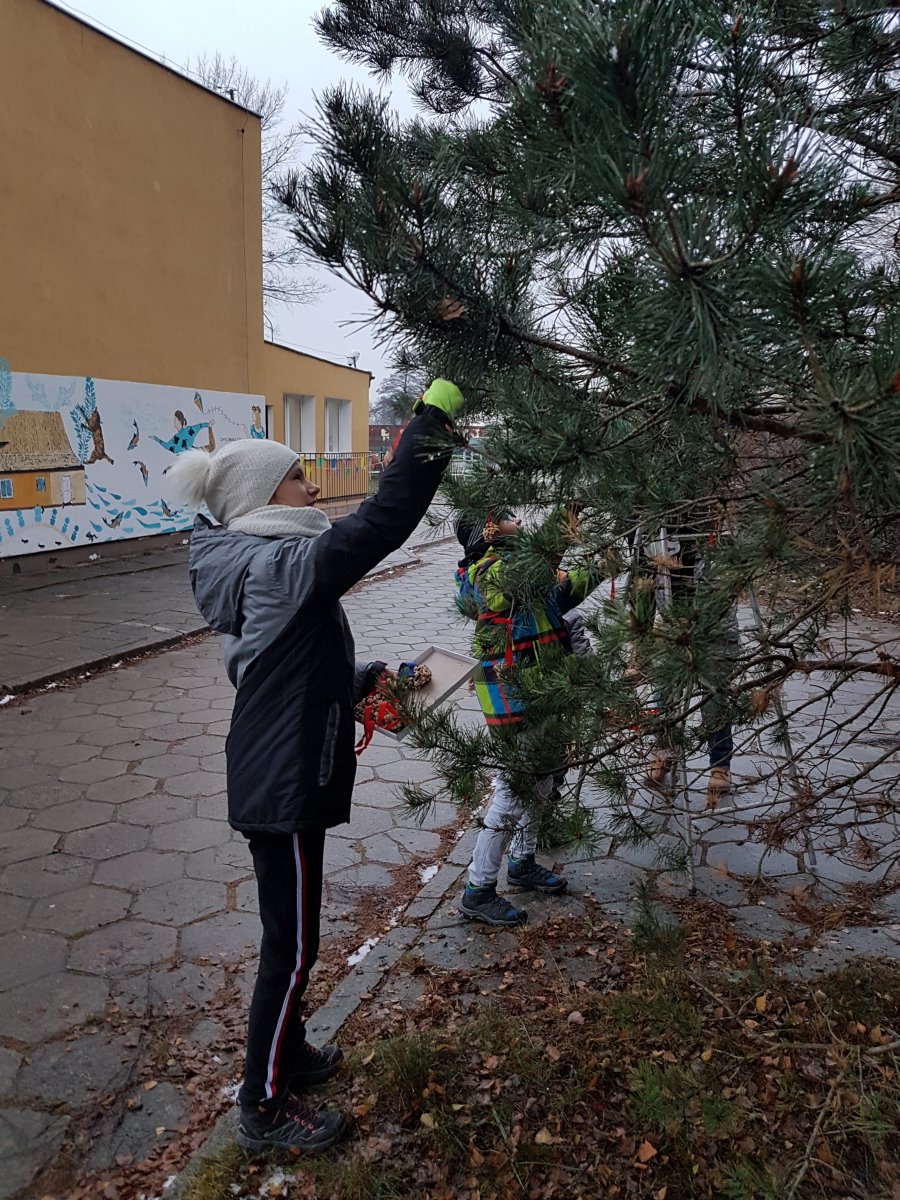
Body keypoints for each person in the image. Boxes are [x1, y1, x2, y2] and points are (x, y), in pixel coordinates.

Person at [169, 380, 463, 1154]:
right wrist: (430, 422)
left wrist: (363, 678)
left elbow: (290, 660)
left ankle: (289, 1056)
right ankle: (262, 1106)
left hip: (283, 767)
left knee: (291, 939)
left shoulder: (262, 561)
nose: (311, 484)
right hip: (284, 782)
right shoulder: (275, 564)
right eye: (298, 474)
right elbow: (383, 523)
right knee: (292, 948)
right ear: (266, 493)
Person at [454, 514, 602, 927]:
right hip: (511, 691)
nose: (518, 519)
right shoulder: (482, 572)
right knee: (513, 787)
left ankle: (522, 861)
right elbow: (510, 586)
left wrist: (605, 561)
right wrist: (561, 529)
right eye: (505, 516)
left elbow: (562, 590)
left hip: (545, 684)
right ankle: (478, 889)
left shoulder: (527, 567)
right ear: (486, 529)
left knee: (543, 778)